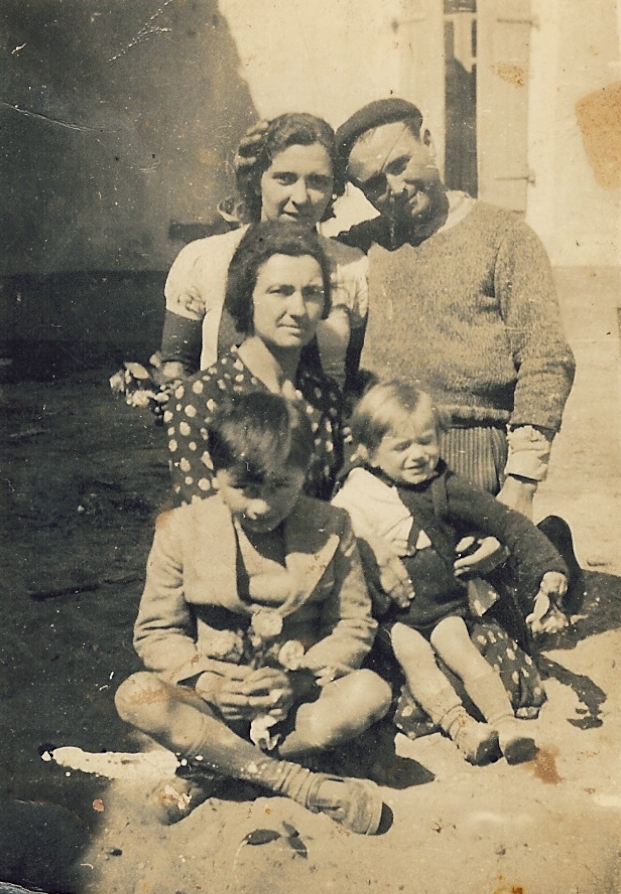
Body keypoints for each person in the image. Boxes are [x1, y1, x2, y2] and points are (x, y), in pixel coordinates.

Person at [114, 392, 391, 834]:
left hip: (297, 703)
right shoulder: (181, 529)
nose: (261, 506)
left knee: (370, 693)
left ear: (305, 472)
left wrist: (299, 680)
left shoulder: (332, 525)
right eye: (244, 488)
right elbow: (157, 632)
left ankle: (214, 763)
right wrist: (208, 682)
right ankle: (299, 783)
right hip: (210, 703)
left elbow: (352, 624)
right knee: (135, 696)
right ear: (215, 472)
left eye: (280, 486)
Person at [334, 98, 576, 517]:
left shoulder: (505, 237)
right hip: (380, 463)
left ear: (428, 142)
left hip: (474, 455)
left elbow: (546, 359)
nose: (395, 188)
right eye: (374, 184)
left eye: (400, 164)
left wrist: (522, 483)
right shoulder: (359, 247)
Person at [333, 380, 573, 759]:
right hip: (395, 615)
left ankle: (506, 725)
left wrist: (548, 568)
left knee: (464, 654)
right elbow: (338, 530)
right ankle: (463, 729)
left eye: (426, 441)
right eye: (401, 447)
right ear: (371, 454)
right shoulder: (356, 491)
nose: (417, 455)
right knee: (415, 659)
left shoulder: (443, 485)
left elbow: (506, 520)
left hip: (443, 606)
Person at [160, 113, 368, 391]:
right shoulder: (204, 259)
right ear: (257, 180)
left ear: (334, 188)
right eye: (285, 178)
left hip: (323, 417)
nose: (301, 197)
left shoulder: (351, 267)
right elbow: (176, 372)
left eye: (318, 181)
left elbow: (354, 379)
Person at [165, 220, 345, 506]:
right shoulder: (201, 399)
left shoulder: (324, 397)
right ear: (247, 297)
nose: (299, 310)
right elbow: (205, 516)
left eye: (312, 293)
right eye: (280, 291)